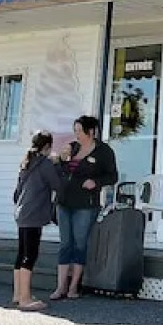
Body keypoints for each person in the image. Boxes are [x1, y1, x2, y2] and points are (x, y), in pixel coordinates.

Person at [50, 115, 118, 301]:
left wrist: (95, 182)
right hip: (64, 202)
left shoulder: (104, 152)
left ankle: (74, 286)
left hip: (85, 205)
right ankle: (60, 286)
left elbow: (112, 177)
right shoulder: (72, 147)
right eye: (75, 130)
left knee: (80, 244)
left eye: (79, 130)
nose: (76, 134)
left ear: (91, 131)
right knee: (65, 244)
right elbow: (61, 170)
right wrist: (60, 160)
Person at [11, 131, 62, 311]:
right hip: (34, 214)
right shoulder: (45, 164)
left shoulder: (26, 162)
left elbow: (16, 193)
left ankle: (17, 294)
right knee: (29, 255)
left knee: (21, 254)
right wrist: (57, 164)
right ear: (47, 147)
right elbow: (57, 184)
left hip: (22, 212)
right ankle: (25, 299)